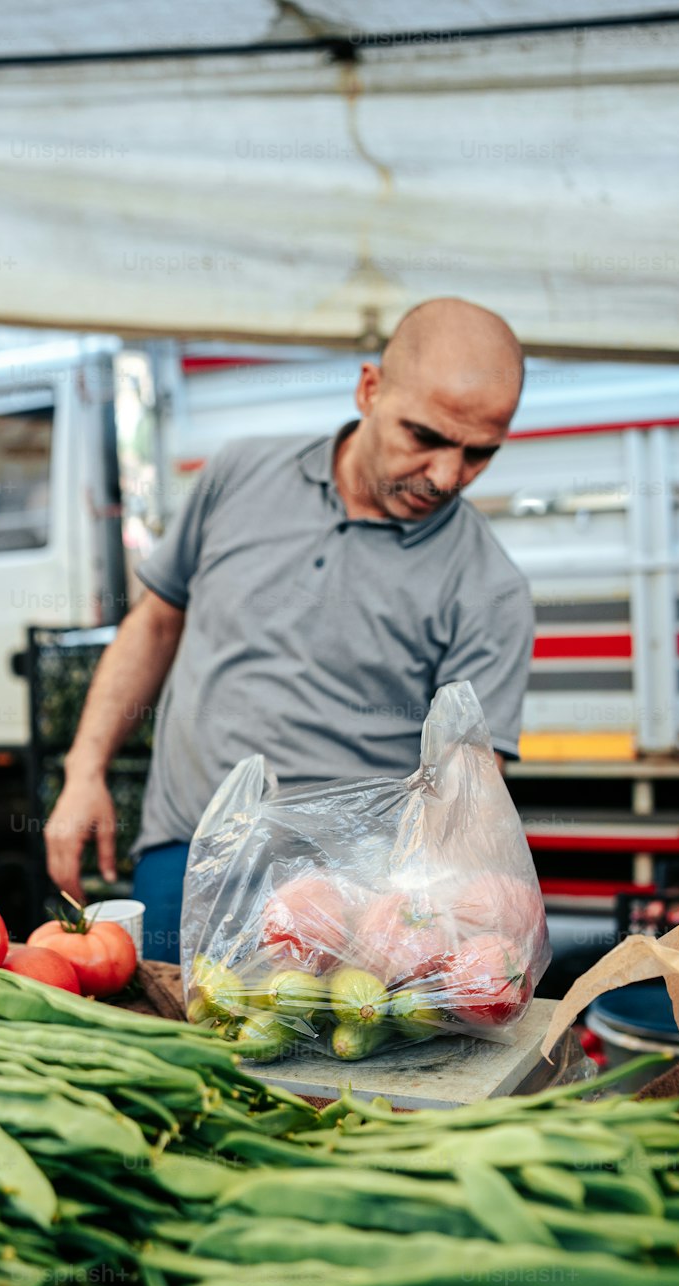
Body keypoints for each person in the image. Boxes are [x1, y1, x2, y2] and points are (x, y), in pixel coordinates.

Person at [45, 297, 534, 960]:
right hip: (184, 853)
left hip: (347, 900)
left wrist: (424, 929)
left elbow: (467, 791)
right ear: (369, 389)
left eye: (480, 453)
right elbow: (155, 623)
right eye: (426, 437)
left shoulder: (491, 587)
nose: (448, 475)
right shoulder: (240, 473)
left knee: (310, 1063)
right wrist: (84, 770)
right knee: (157, 1044)